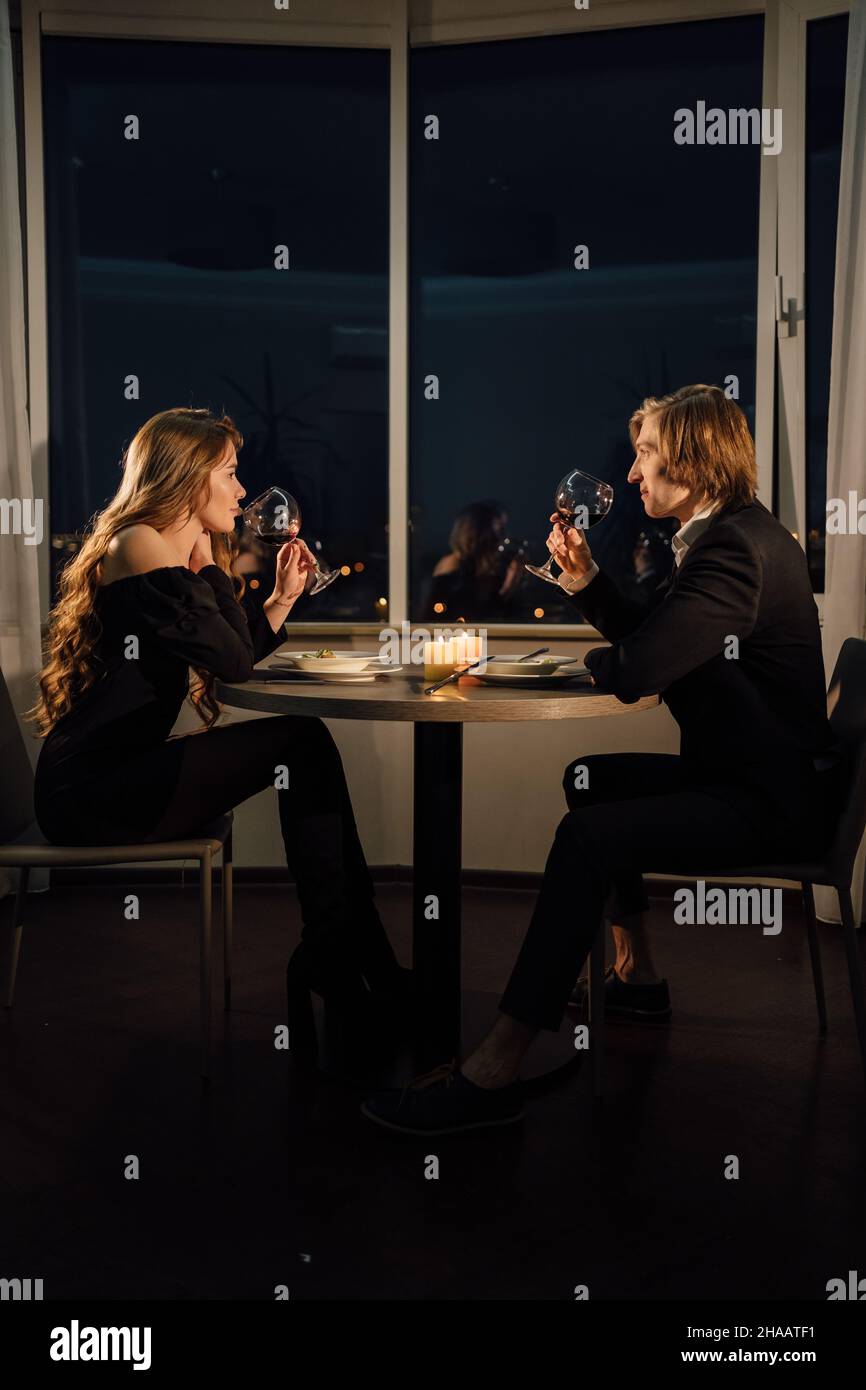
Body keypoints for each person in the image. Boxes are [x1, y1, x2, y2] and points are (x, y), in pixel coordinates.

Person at [361, 384, 849, 1135]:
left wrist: (601, 661)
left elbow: (639, 667)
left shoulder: (737, 550)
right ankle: (638, 978)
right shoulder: (732, 535)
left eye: (645, 453)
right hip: (750, 776)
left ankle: (493, 1069)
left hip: (768, 803)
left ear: (693, 456)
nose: (631, 475)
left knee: (588, 837)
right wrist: (589, 584)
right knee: (589, 780)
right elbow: (654, 637)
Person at [26, 407, 411, 1045]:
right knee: (302, 741)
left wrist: (279, 599)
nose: (240, 491)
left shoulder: (160, 549)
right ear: (186, 478)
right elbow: (233, 660)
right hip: (90, 793)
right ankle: (344, 957)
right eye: (229, 474)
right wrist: (210, 564)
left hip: (117, 776)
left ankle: (350, 955)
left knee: (304, 742)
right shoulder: (141, 545)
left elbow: (229, 660)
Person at [422, 500, 522, 622]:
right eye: (498, 527)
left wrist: (510, 583)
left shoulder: (484, 568)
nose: (504, 535)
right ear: (477, 530)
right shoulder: (453, 565)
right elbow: (440, 616)